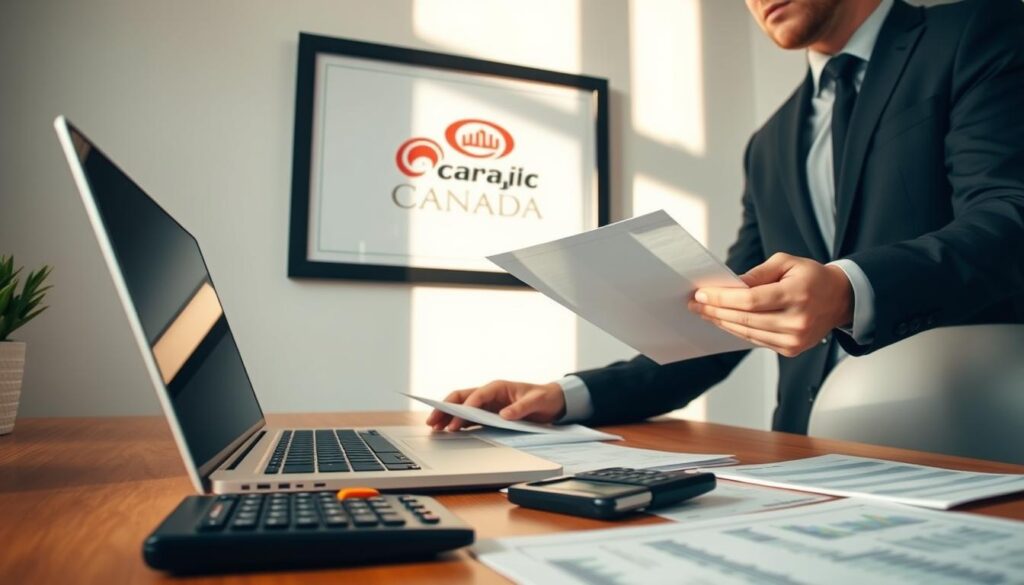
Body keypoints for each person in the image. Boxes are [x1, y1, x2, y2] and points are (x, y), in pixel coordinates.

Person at [427, 0, 1024, 435]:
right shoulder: (769, 143)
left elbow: (1009, 216)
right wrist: (565, 395)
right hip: (809, 446)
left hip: (972, 426)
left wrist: (848, 290)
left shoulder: (978, 31)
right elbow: (723, 313)